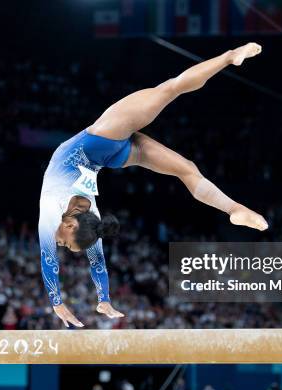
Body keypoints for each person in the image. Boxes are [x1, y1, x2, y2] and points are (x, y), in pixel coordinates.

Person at [39, 43, 268, 327]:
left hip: (101, 136)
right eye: (67, 246)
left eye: (65, 243)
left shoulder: (50, 211)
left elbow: (48, 259)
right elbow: (96, 261)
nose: (60, 244)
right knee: (186, 169)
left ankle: (229, 56)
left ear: (70, 226)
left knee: (169, 89)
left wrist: (57, 303)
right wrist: (104, 299)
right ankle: (235, 208)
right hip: (108, 158)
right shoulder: (89, 221)